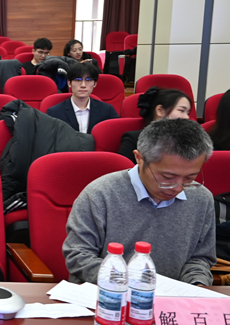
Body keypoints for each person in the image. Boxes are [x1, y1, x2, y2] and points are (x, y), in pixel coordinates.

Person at [63, 118, 215, 285]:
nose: (178, 188)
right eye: (168, 177)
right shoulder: (100, 194)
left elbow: (199, 258)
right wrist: (135, 285)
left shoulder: (201, 198)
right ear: (139, 158)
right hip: (107, 293)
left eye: (190, 178)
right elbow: (79, 256)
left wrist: (197, 285)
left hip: (173, 297)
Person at [118, 88, 191, 163]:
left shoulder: (189, 140)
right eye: (181, 110)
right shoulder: (134, 138)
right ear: (160, 111)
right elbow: (122, 168)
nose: (187, 117)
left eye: (188, 113)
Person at [46, 62, 118, 134]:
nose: (83, 85)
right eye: (78, 80)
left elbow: (116, 135)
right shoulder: (54, 113)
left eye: (88, 80)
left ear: (95, 84)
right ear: (69, 83)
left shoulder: (107, 110)